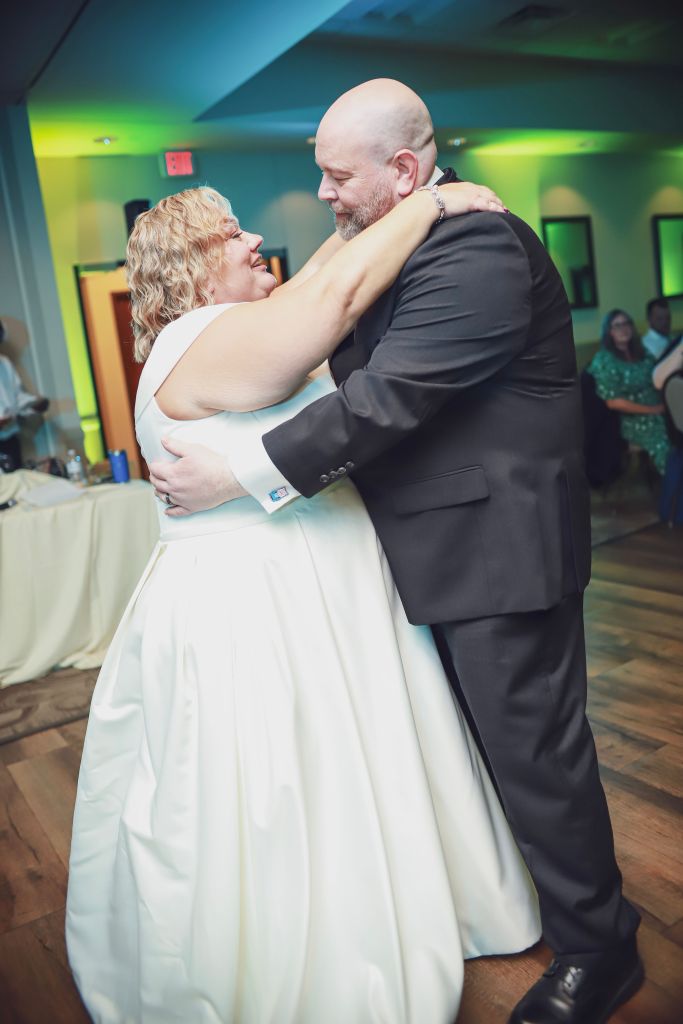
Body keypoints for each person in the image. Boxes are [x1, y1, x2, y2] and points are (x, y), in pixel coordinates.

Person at [150, 79, 643, 1024]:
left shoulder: (477, 248)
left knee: (535, 756)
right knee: (488, 752)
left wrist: (241, 473)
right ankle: (532, 903)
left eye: (338, 176)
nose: (323, 194)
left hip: (496, 547)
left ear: (405, 170)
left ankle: (600, 949)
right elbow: (322, 311)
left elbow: (390, 397)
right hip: (431, 549)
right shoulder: (406, 235)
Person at [66, 183, 543, 1024]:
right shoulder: (193, 338)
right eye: (229, 233)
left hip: (325, 583)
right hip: (257, 605)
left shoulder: (241, 327)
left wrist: (367, 212)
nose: (254, 238)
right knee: (290, 783)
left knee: (363, 755)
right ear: (190, 266)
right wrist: (429, 206)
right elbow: (333, 299)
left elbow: (322, 277)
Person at [588, 309, 671, 474]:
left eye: (626, 323)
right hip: (632, 419)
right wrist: (652, 410)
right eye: (617, 325)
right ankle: (675, 483)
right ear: (609, 331)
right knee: (665, 440)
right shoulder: (604, 360)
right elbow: (613, 402)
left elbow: (657, 377)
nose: (623, 328)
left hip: (660, 407)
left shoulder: (642, 352)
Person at [0, 319, 49, 471]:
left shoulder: (4, 363)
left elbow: (17, 398)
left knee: (17, 481)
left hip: (9, 440)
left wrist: (34, 405)